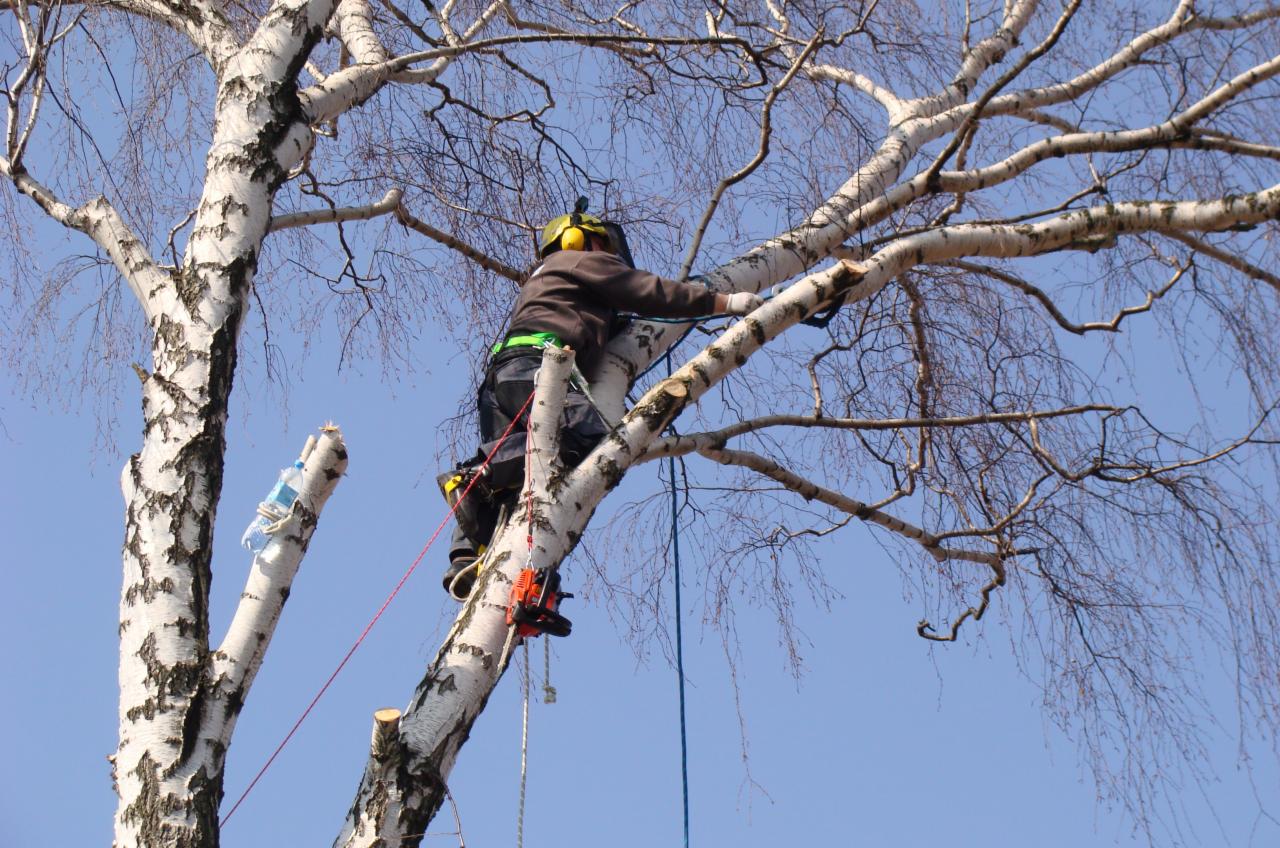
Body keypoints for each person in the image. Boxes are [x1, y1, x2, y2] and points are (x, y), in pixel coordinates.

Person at [438, 202, 763, 598]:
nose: (610, 258)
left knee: (516, 479)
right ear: (577, 238)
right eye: (604, 246)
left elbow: (588, 317)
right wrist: (723, 303)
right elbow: (650, 291)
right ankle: (477, 480)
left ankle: (469, 555)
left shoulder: (547, 282)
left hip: (504, 377)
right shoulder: (576, 260)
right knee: (587, 437)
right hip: (539, 368)